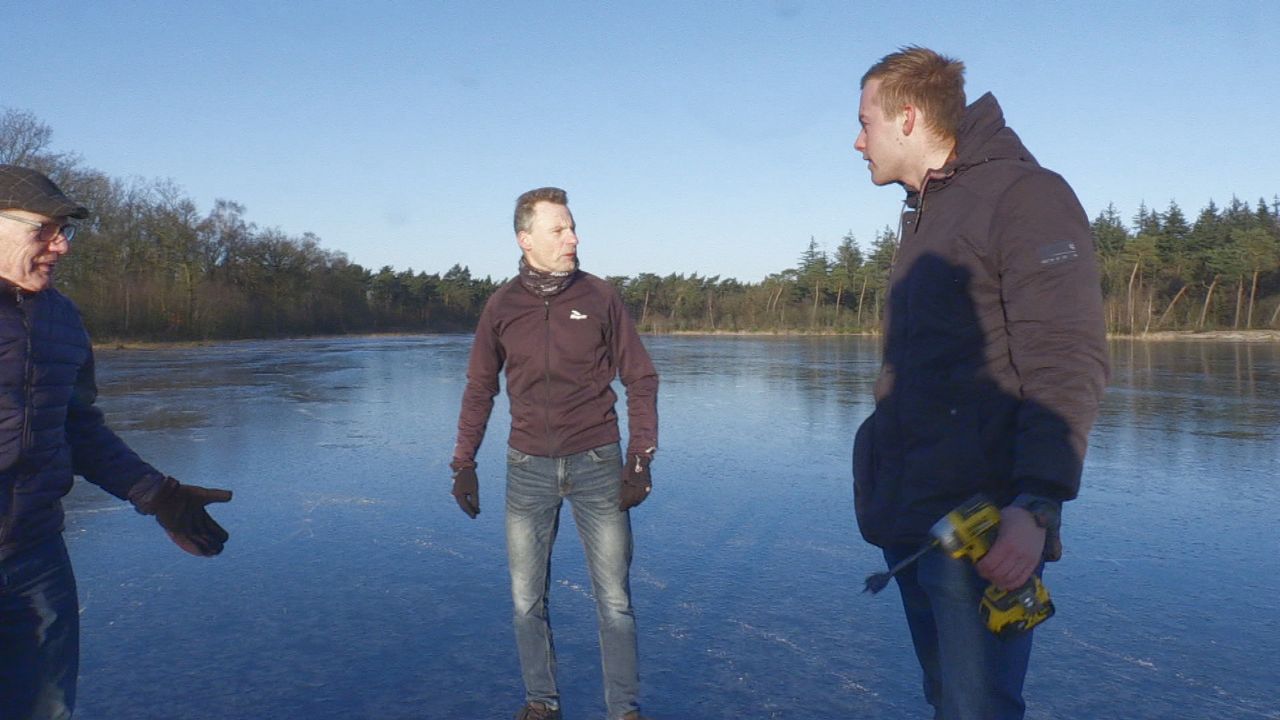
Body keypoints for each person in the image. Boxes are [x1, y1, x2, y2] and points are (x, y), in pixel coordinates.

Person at [850, 48, 1108, 719]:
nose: (857, 141)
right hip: (920, 517)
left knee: (980, 708)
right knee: (949, 701)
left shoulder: (1027, 198)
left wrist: (1039, 502)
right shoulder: (931, 212)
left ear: (907, 119)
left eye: (864, 122)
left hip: (987, 526)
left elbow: (1065, 358)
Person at [0, 165, 233, 720]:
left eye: (66, 231)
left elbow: (77, 427)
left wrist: (160, 496)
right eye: (44, 229)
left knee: (45, 709)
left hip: (34, 555)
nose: (61, 245)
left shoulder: (61, 318)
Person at [450, 187, 658, 720]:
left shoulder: (600, 297)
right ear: (526, 239)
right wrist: (464, 463)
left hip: (596, 463)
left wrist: (640, 457)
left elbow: (640, 377)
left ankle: (624, 710)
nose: (574, 237)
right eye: (559, 230)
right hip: (527, 469)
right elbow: (479, 387)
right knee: (526, 600)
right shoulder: (502, 306)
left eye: (572, 227)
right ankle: (541, 702)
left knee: (614, 601)